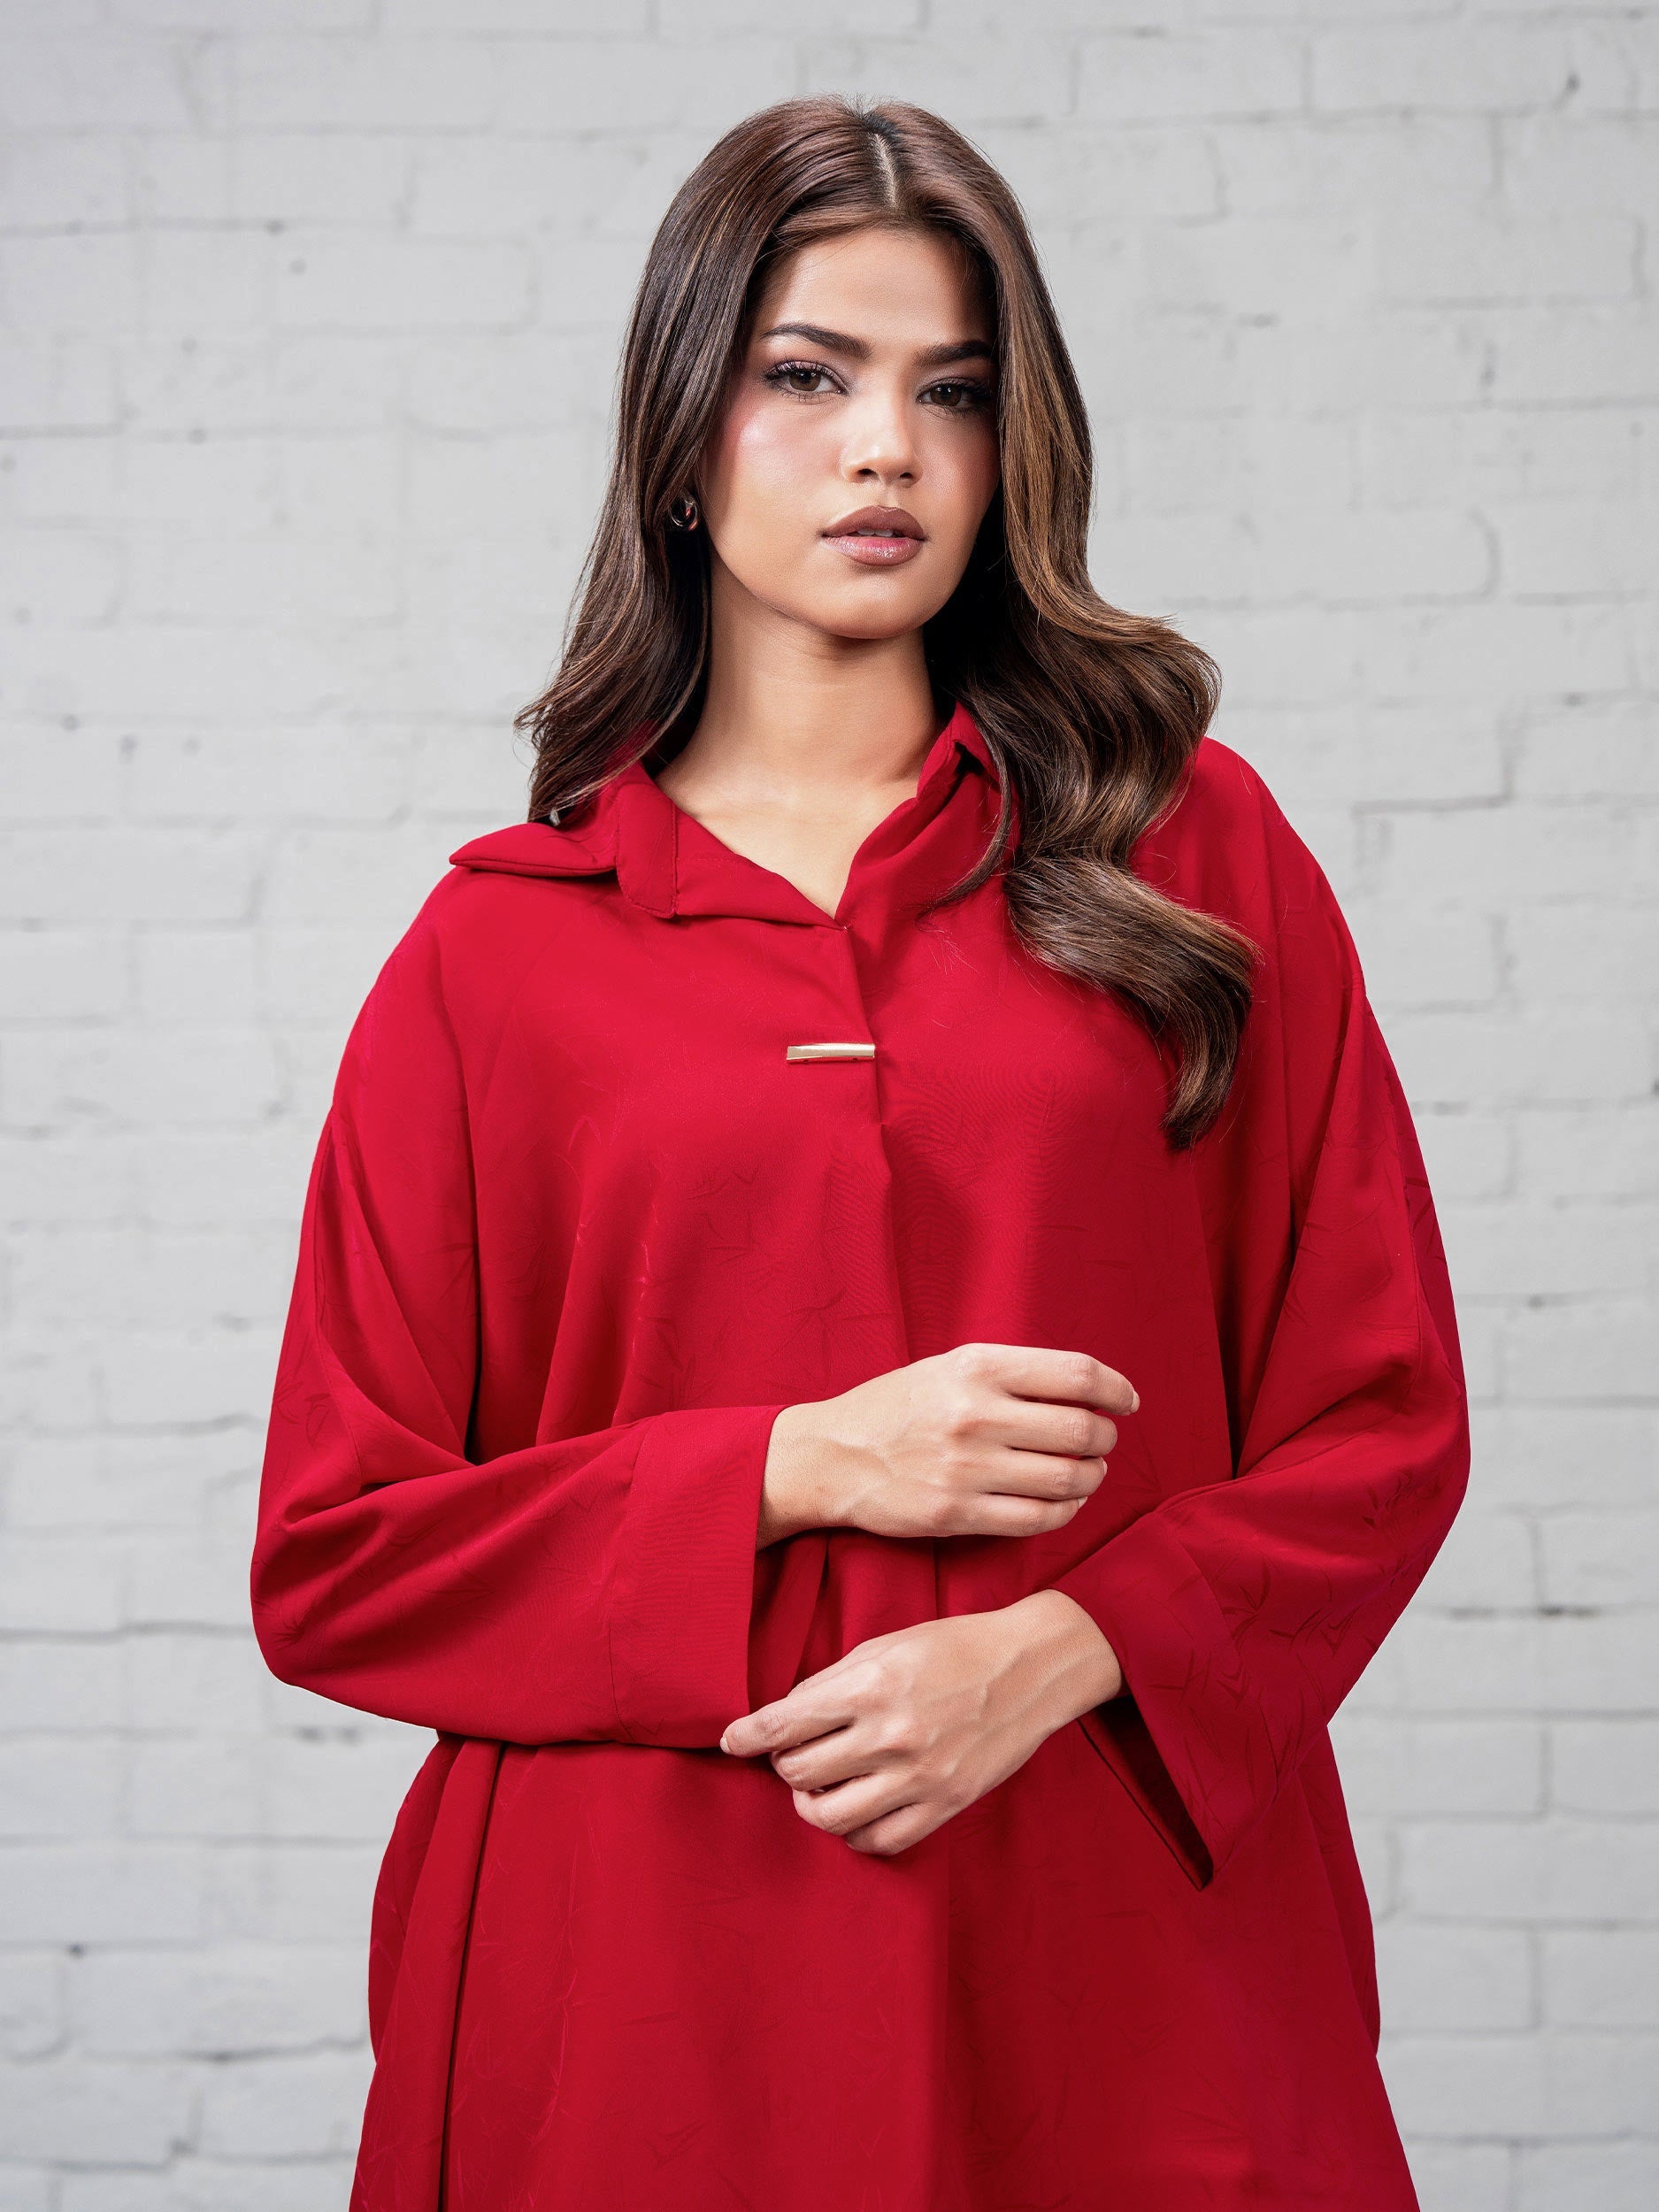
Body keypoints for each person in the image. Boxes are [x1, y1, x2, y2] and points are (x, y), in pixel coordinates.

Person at [250, 95, 1470, 2212]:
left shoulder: (1191, 860)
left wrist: (1056, 1651)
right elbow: (338, 1555)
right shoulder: (488, 961)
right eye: (806, 377)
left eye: (950, 391)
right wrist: (793, 1463)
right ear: (680, 434)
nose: (883, 449)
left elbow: (1380, 1416)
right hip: (635, 1984)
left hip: (1113, 1937)